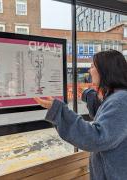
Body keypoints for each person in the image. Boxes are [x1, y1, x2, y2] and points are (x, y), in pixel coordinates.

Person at [34, 50, 127, 180]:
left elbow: (97, 138)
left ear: (105, 69)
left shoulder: (120, 101)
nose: (90, 70)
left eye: (92, 66)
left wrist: (59, 110)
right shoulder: (116, 97)